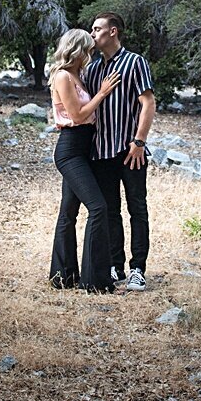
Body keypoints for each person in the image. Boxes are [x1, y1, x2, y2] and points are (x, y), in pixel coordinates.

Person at [82, 12, 156, 291]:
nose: (92, 34)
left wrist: (139, 142)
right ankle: (116, 266)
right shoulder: (92, 70)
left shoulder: (135, 62)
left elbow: (148, 103)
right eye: (92, 29)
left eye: (97, 29)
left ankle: (138, 269)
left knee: (137, 208)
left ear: (113, 32)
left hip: (130, 150)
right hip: (101, 152)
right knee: (110, 211)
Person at [47, 28, 122, 292]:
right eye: (88, 49)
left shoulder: (78, 75)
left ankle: (63, 277)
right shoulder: (63, 76)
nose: (91, 53)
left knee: (68, 213)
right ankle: (95, 281)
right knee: (98, 208)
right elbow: (77, 116)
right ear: (77, 49)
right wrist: (101, 94)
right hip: (70, 150)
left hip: (84, 149)